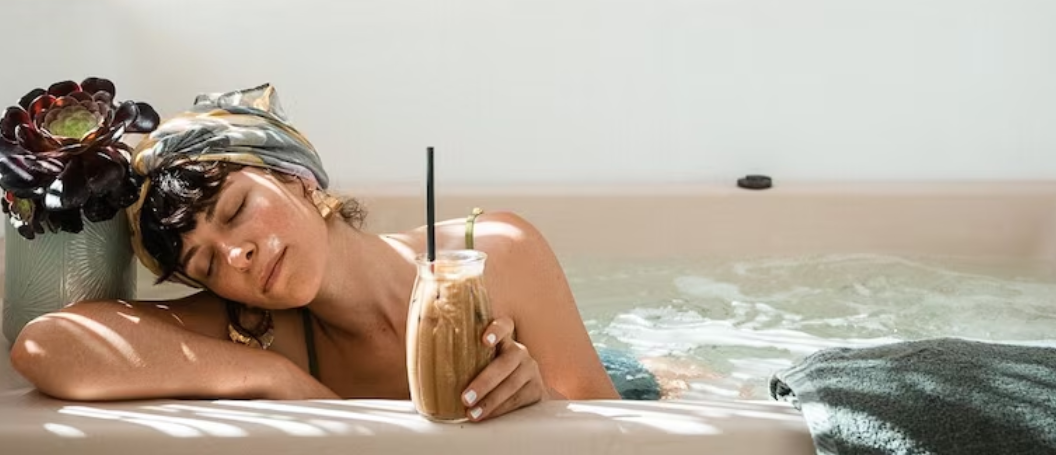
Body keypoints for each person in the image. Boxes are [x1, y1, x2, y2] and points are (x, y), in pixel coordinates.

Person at [10, 83, 629, 418]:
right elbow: (46, 344)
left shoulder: (494, 253)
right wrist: (274, 377)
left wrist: (538, 398)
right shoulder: (255, 330)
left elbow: (618, 428)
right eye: (204, 264)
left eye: (235, 212)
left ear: (299, 179)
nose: (235, 258)